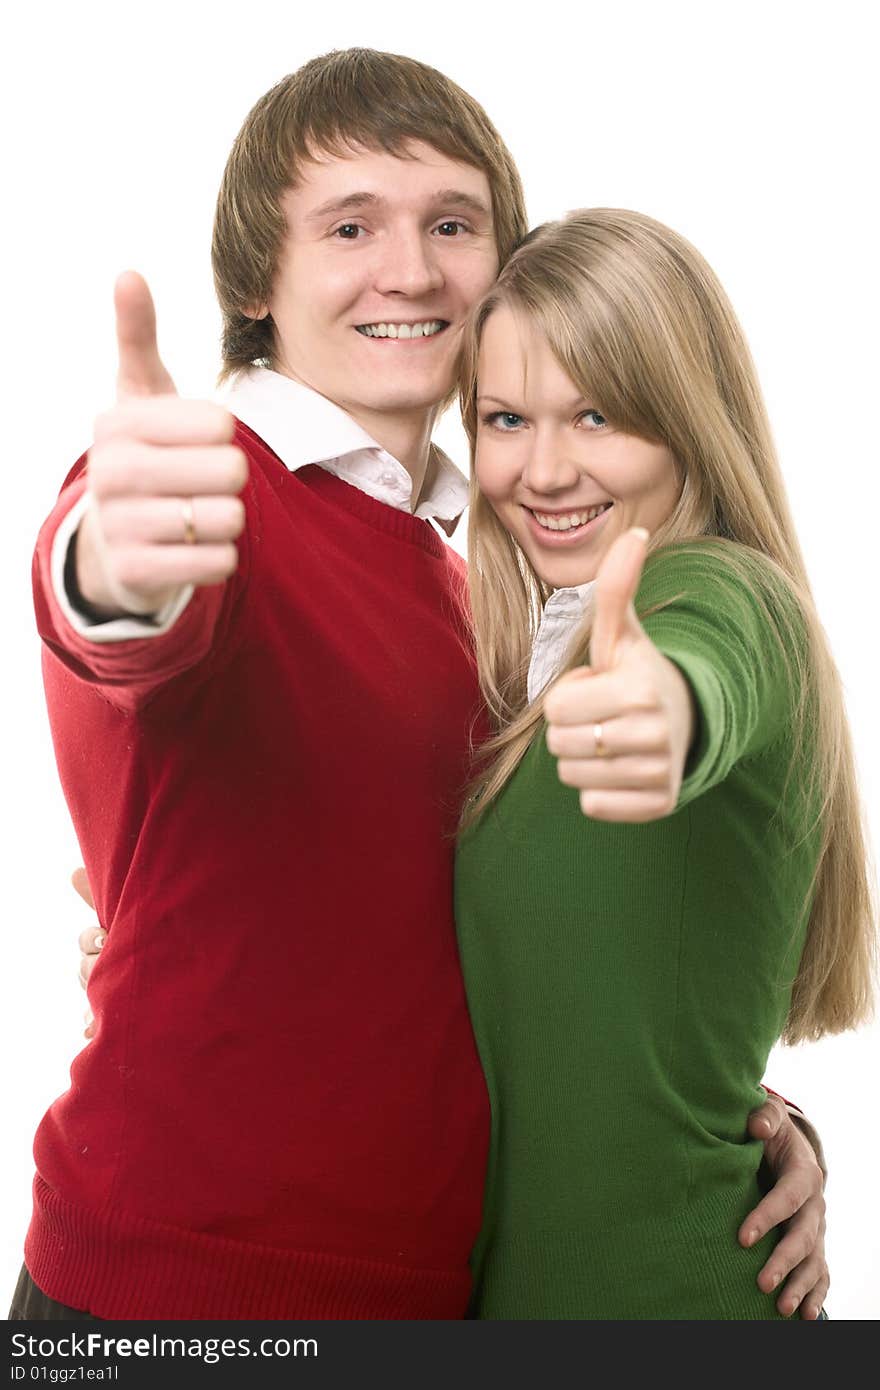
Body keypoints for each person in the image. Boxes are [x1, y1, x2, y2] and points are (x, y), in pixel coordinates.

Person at [13, 51, 826, 1322]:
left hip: (425, 1294)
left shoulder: (472, 596)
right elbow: (126, 615)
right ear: (253, 282)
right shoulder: (210, 493)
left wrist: (731, 1119)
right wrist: (110, 560)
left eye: (451, 224)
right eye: (350, 227)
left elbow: (510, 942)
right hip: (190, 1296)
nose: (408, 270)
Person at [453, 208, 876, 1319]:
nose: (543, 470)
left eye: (597, 414)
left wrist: (661, 716)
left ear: (687, 419)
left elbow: (701, 676)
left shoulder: (722, 597)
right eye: (505, 418)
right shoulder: (509, 664)